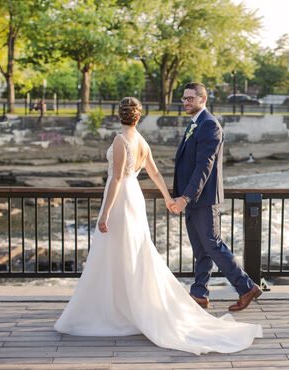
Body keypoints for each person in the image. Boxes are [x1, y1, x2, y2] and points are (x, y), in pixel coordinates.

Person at [54, 97, 262, 355]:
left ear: (118, 115)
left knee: (115, 252)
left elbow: (117, 177)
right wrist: (167, 198)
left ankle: (117, 307)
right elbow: (155, 174)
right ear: (138, 117)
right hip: (135, 200)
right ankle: (130, 304)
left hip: (121, 199)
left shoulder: (121, 140)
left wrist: (104, 213)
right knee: (135, 252)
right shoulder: (142, 141)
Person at [172, 82, 262, 311]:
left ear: (203, 99)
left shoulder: (210, 125)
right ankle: (199, 293)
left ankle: (247, 287)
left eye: (190, 98)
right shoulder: (195, 124)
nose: (185, 102)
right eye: (184, 98)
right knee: (200, 248)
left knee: (213, 245)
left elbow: (204, 166)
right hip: (192, 199)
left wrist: (186, 197)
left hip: (204, 199)